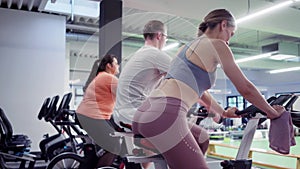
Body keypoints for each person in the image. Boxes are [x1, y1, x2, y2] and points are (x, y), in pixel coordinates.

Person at [132, 9, 285, 169]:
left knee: (202, 138)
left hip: (144, 113)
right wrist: (272, 112)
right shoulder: (217, 44)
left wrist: (223, 112)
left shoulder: (187, 47)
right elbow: (245, 88)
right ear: (223, 25)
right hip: (164, 116)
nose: (228, 41)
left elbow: (200, 93)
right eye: (230, 34)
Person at [113, 20, 172, 127]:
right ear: (159, 35)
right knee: (183, 128)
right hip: (134, 114)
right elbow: (184, 77)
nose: (165, 41)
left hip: (120, 114)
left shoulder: (139, 54)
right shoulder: (155, 54)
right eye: (166, 37)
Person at [76, 54, 120, 167]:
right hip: (92, 117)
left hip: (87, 116)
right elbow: (125, 94)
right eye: (116, 63)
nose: (118, 66)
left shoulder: (100, 76)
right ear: (109, 66)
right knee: (115, 146)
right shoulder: (108, 78)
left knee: (111, 138)